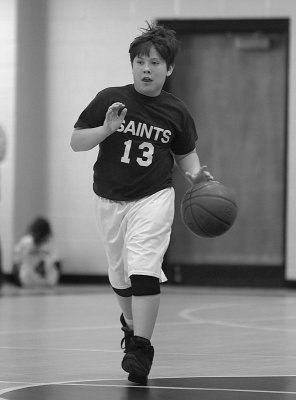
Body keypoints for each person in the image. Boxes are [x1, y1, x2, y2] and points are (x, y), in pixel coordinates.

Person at [71, 21, 213, 385]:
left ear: (169, 68)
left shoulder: (176, 111)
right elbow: (76, 142)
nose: (146, 68)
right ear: (131, 65)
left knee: (144, 268)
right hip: (109, 199)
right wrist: (105, 130)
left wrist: (196, 178)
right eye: (139, 62)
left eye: (154, 63)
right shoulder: (109, 99)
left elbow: (186, 155)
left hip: (153, 197)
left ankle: (142, 348)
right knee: (120, 277)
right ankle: (131, 325)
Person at [13, 217, 61, 288]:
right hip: (29, 281)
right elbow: (16, 263)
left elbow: (57, 263)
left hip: (45, 281)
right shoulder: (26, 242)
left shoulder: (51, 244)